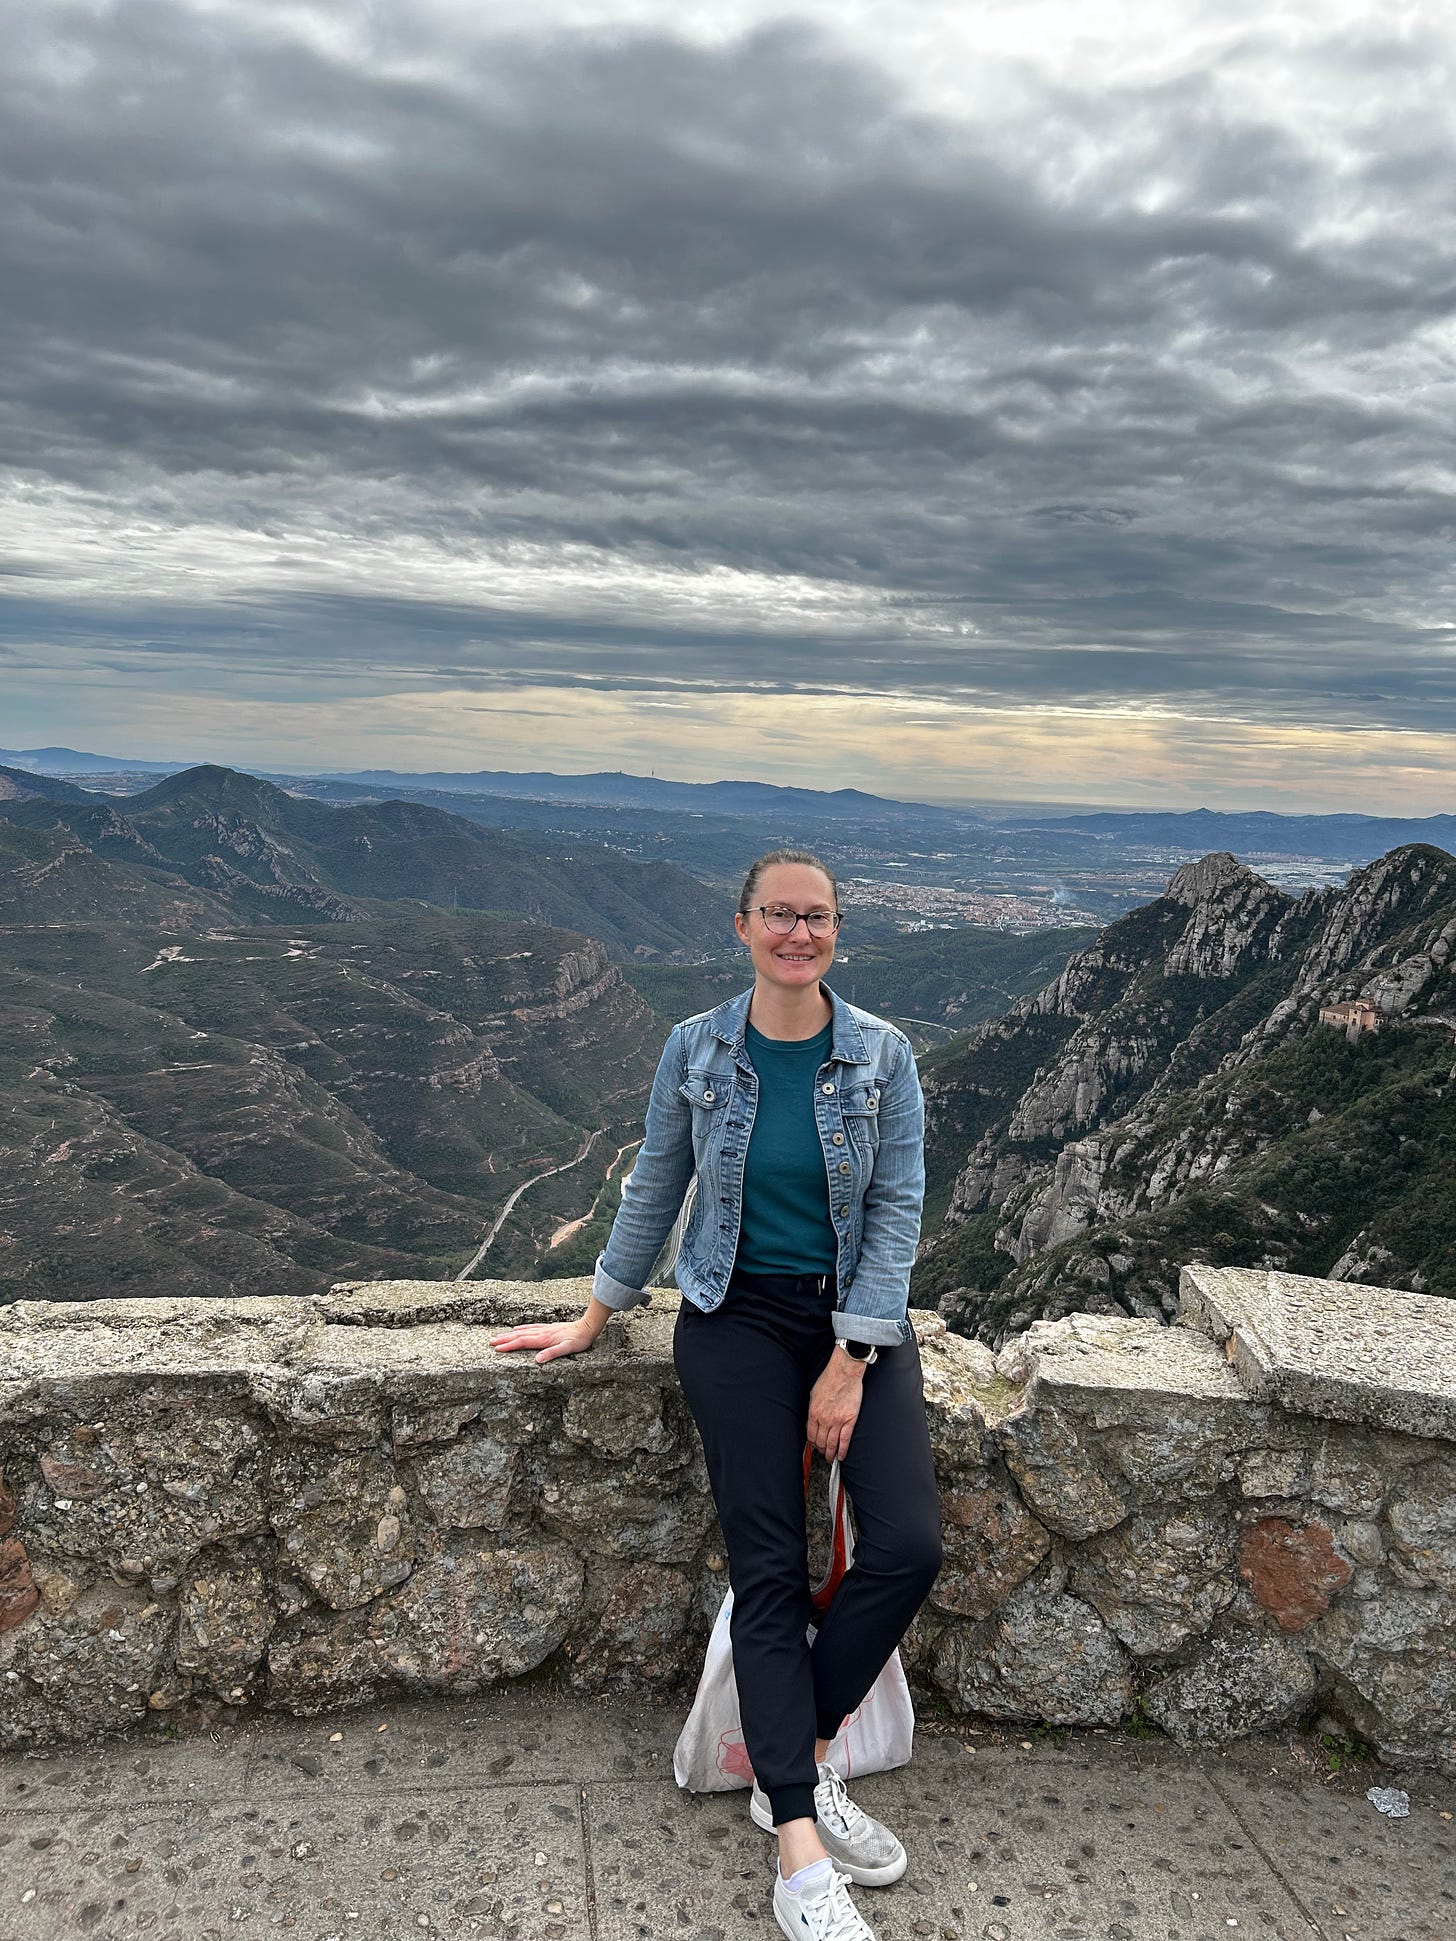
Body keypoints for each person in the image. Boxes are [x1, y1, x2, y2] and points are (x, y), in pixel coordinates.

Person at [490, 849, 943, 1941]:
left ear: (838, 931)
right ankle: (796, 1847)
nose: (800, 932)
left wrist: (850, 1358)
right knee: (769, 1563)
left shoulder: (882, 1056)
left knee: (907, 1547)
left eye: (819, 917)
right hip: (730, 1318)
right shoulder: (696, 1049)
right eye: (780, 915)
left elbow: (894, 1211)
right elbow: (657, 1179)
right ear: (741, 927)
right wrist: (598, 1313)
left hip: (853, 1322)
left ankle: (805, 1751)